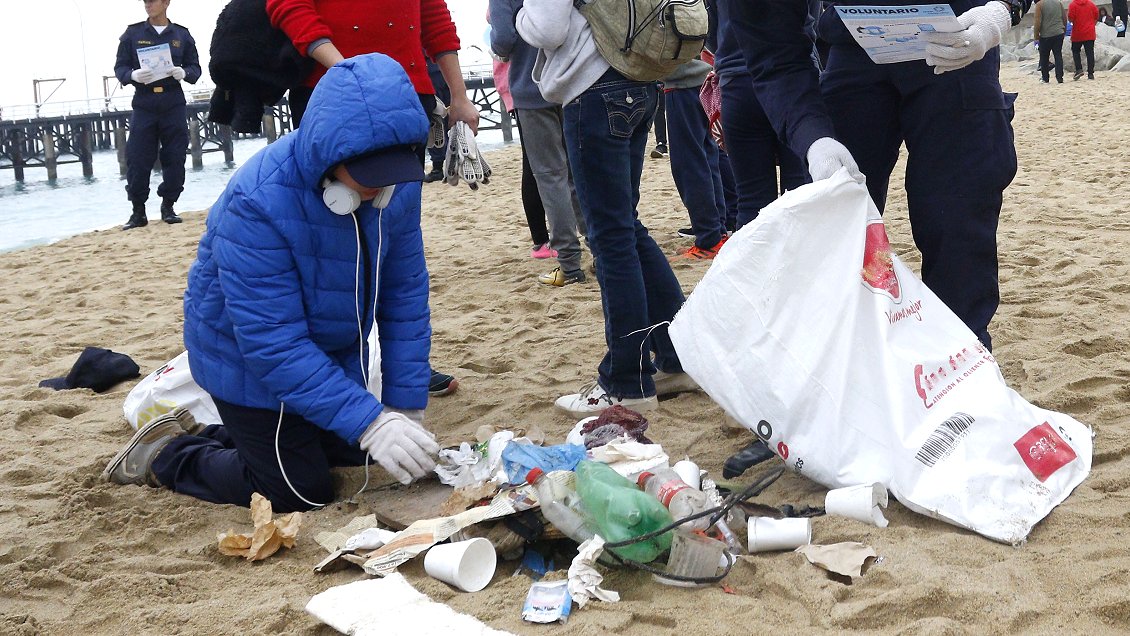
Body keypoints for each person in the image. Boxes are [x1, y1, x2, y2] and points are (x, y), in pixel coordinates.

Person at [103, 54, 441, 512]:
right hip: (245, 364)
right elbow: (272, 344)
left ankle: (223, 435)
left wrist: (404, 406)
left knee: (359, 454)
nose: (377, 191)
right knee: (301, 492)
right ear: (328, 155)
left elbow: (405, 299)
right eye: (366, 178)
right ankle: (166, 453)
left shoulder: (400, 185)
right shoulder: (257, 202)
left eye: (390, 174)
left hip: (328, 352)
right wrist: (371, 422)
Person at [719, 0, 1021, 476]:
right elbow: (773, 50)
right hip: (851, 54)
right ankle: (810, 415)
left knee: (956, 225)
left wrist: (1002, 11)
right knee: (830, 237)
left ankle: (962, 404)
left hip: (957, 40)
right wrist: (812, 136)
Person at [267, 0, 474, 397]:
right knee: (330, 244)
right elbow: (289, 8)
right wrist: (350, 73)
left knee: (397, 241)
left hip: (406, 97)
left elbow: (434, 19)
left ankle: (404, 364)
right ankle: (337, 365)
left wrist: (459, 96)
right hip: (330, 95)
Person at [517, 0, 701, 417]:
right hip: (641, 76)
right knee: (625, 228)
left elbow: (546, 28)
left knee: (611, 237)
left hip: (595, 88)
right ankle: (675, 359)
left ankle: (627, 382)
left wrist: (517, 19)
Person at [491, 0, 589, 285]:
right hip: (573, 82)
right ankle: (599, 248)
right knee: (578, 173)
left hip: (530, 89)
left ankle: (570, 263)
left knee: (550, 176)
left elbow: (503, 41)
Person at [113, 0, 200, 230]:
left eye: (152, 1)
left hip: (173, 102)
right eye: (145, 1)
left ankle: (168, 206)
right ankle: (138, 212)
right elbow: (119, 67)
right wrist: (132, 75)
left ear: (166, 2)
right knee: (138, 157)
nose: (148, 5)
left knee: (175, 155)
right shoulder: (133, 34)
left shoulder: (181, 34)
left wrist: (185, 72)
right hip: (144, 102)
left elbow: (195, 68)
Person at [662, 58, 731, 259]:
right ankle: (717, 232)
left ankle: (709, 239)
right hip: (704, 79)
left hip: (681, 82)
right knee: (708, 160)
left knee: (689, 164)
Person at [1035, 0, 1068, 83]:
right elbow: (1064, 18)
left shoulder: (1040, 5)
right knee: (1058, 55)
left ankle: (1045, 78)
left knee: (1044, 57)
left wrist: (1036, 37)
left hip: (1046, 34)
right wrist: (1064, 30)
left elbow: (1037, 22)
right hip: (1058, 32)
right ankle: (1059, 77)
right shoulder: (1058, 3)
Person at [1068, 0, 1099, 79]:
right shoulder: (1091, 4)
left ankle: (1079, 69)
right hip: (1090, 32)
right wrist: (1092, 23)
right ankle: (1090, 73)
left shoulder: (1073, 5)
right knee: (1090, 52)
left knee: (1075, 51)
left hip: (1077, 32)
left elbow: (1071, 18)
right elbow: (1096, 15)